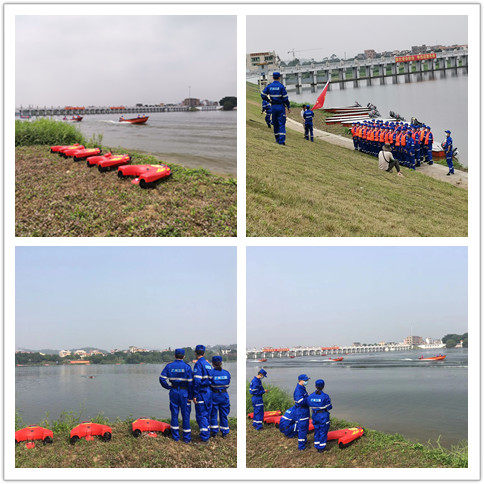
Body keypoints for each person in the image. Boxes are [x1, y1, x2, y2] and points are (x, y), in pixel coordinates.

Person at [159, 348, 193, 443]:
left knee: (174, 414)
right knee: (186, 415)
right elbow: (191, 383)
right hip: (184, 392)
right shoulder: (187, 367)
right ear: (184, 356)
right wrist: (190, 396)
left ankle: (176, 437)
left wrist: (168, 387)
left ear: (174, 355)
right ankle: (186, 438)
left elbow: (162, 379)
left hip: (174, 391)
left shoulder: (169, 366)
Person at [261, 71, 290, 145]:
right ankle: (281, 141)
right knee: (282, 124)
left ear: (273, 77)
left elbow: (263, 95)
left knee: (275, 123)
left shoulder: (269, 86)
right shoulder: (281, 86)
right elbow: (286, 98)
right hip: (280, 107)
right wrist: (288, 107)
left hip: (273, 107)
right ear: (279, 78)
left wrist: (269, 100)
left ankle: (277, 139)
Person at [193, 344, 213, 443]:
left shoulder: (198, 364)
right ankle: (206, 433)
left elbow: (197, 381)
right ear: (204, 353)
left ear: (195, 353)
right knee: (207, 414)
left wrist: (195, 395)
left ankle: (204, 438)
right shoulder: (208, 365)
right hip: (209, 392)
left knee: (201, 415)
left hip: (201, 392)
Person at [308, 379, 332, 453]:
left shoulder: (311, 396)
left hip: (314, 415)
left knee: (317, 429)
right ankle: (321, 448)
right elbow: (329, 407)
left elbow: (309, 403)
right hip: (323, 415)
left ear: (315, 386)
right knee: (323, 431)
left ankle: (317, 445)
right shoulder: (325, 396)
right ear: (323, 386)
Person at [209, 355, 231, 438]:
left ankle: (214, 432)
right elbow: (228, 384)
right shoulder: (226, 373)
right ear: (221, 363)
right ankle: (224, 432)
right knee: (224, 414)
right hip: (224, 395)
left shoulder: (211, 373)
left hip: (214, 395)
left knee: (213, 414)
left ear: (212, 363)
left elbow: (208, 384)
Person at [294, 374, 311, 450]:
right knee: (302, 428)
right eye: (305, 380)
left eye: (307, 380)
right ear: (300, 380)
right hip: (302, 411)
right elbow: (300, 401)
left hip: (305, 410)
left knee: (305, 427)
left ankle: (304, 441)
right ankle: (301, 446)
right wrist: (309, 400)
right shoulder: (298, 390)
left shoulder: (302, 388)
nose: (307, 381)